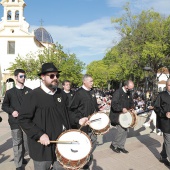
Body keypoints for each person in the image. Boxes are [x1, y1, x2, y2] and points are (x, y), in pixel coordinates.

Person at [18, 63, 71, 170]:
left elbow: (69, 113)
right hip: (41, 148)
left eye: (57, 76)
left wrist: (79, 119)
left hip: (60, 146)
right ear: (43, 77)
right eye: (51, 76)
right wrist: (40, 134)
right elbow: (23, 119)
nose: (55, 78)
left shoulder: (61, 94)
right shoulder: (33, 96)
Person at [2, 69, 32, 170]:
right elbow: (4, 106)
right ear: (16, 77)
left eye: (24, 76)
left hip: (27, 121)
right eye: (21, 76)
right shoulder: (10, 92)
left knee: (26, 142)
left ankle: (22, 157)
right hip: (15, 122)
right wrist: (12, 111)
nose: (23, 78)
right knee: (17, 143)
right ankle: (18, 165)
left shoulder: (29, 91)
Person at [69, 74, 99, 170]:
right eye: (90, 81)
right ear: (84, 82)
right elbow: (72, 109)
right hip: (82, 124)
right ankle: (81, 160)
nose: (92, 83)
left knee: (93, 140)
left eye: (92, 81)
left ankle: (87, 157)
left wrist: (98, 111)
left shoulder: (92, 91)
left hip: (92, 123)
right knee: (83, 143)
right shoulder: (78, 93)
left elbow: (95, 105)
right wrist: (79, 120)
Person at [109, 80, 134, 154]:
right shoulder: (118, 92)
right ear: (126, 86)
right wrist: (121, 108)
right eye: (130, 88)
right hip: (117, 115)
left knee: (125, 131)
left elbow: (131, 102)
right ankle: (114, 145)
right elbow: (114, 104)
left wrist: (132, 107)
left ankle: (121, 146)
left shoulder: (129, 92)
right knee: (120, 131)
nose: (131, 90)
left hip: (125, 116)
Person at [154, 79, 170, 167]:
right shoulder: (161, 95)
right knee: (169, 141)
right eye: (169, 85)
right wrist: (165, 113)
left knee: (168, 142)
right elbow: (156, 107)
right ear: (166, 85)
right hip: (166, 122)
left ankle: (163, 156)